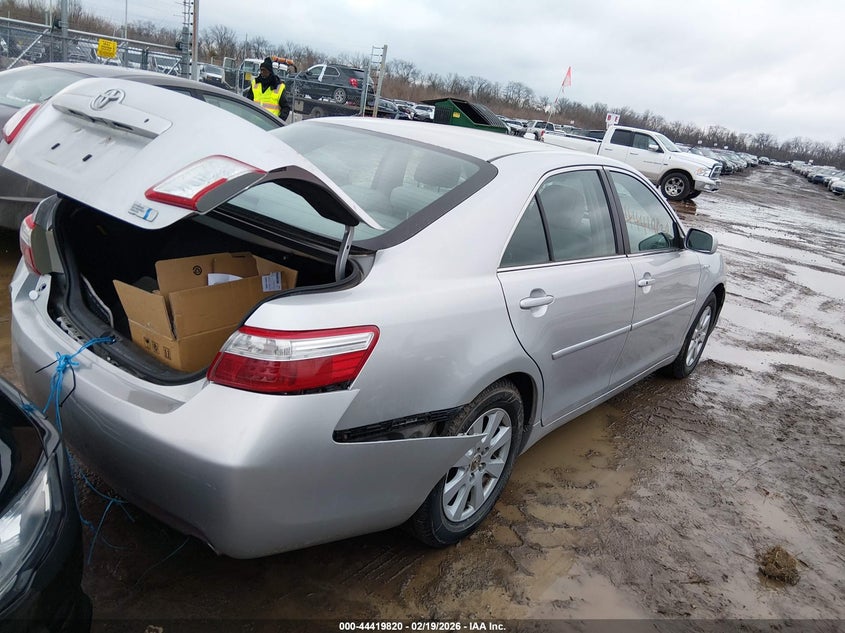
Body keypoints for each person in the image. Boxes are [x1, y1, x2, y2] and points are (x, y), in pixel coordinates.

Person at [244, 57, 290, 121]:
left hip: (269, 124)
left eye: (264, 70)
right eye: (261, 70)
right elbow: (248, 102)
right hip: (254, 122)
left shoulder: (278, 86)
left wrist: (278, 122)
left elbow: (286, 108)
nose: (262, 72)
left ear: (269, 71)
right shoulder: (255, 83)